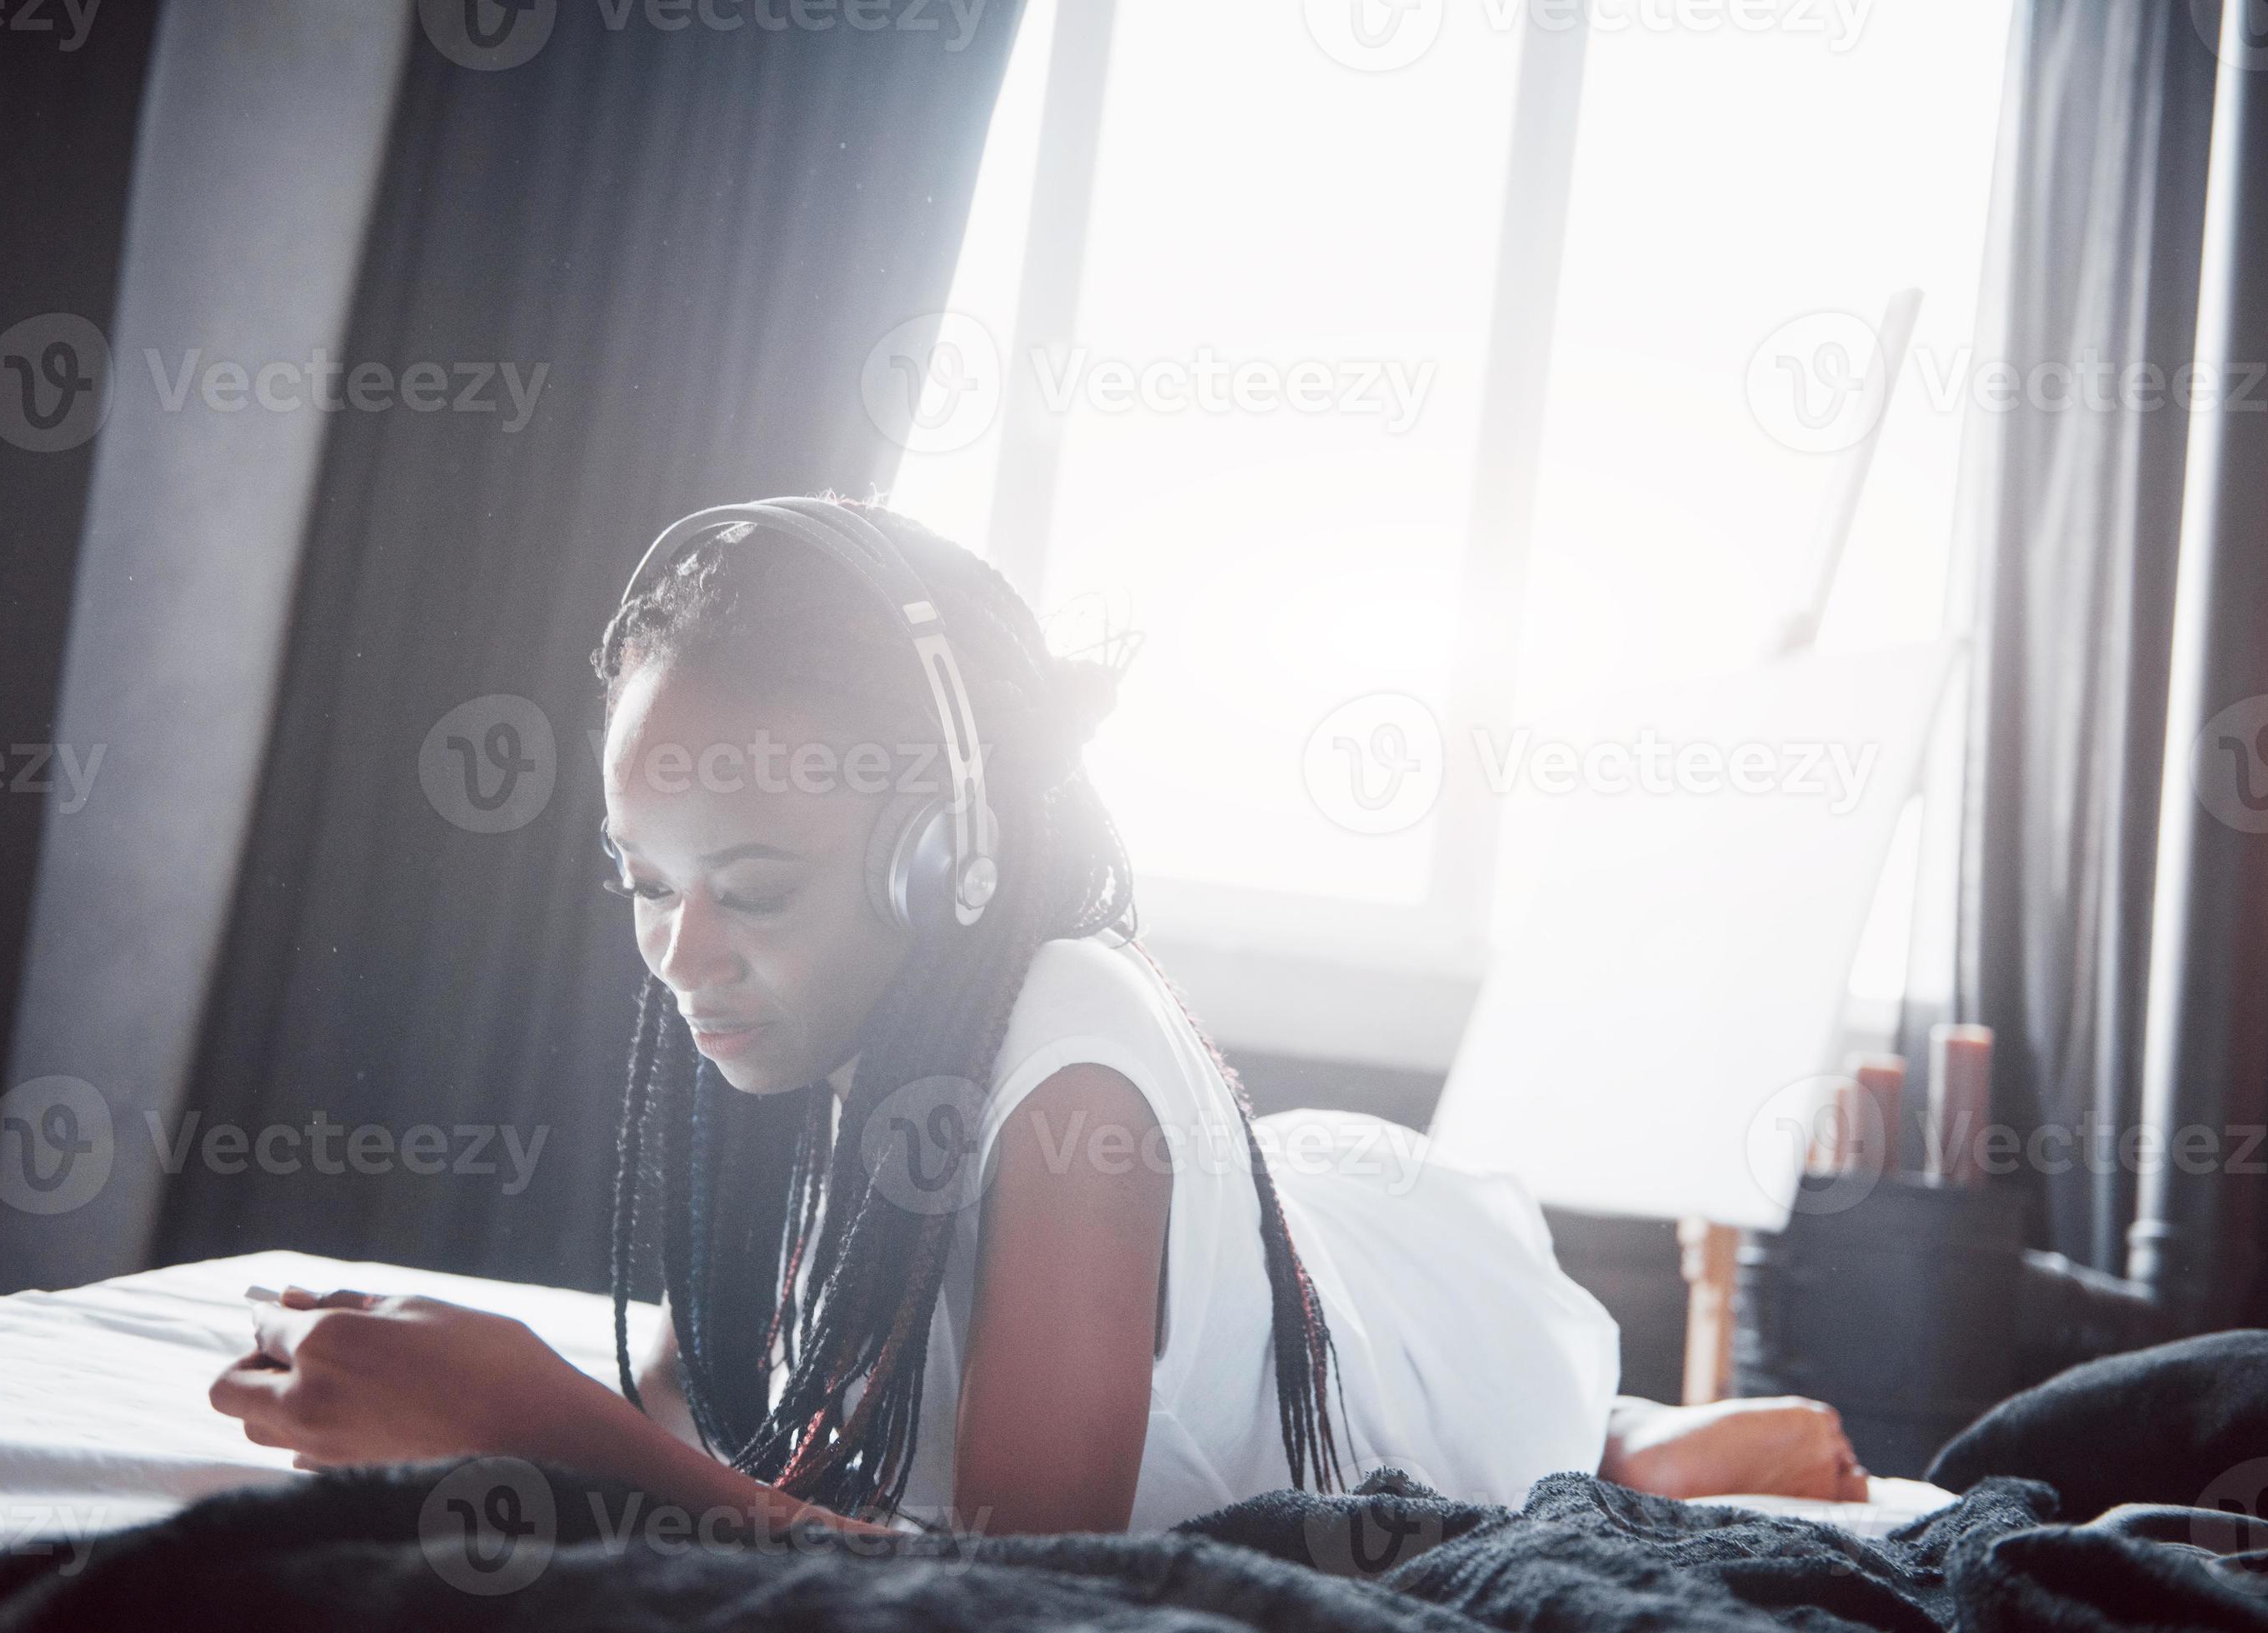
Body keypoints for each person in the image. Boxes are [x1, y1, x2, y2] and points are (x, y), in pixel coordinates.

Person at [210, 497, 1871, 1536]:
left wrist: (524, 1415)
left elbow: (1013, 1587)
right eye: (641, 878)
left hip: (1416, 1322)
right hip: (1252, 1217)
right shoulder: (814, 1031)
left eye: (754, 885)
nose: (680, 948)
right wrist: (441, 1365)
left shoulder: (1069, 1051)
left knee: (1541, 1436)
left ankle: (1629, 1443)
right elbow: (724, 1404)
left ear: (944, 861)